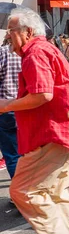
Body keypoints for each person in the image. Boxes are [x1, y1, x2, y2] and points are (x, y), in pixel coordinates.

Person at [1, 8, 69, 234]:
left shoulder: (34, 53)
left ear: (27, 31)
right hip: (62, 131)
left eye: (11, 31)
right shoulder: (44, 49)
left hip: (49, 133)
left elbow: (43, 95)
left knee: (21, 189)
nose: (8, 36)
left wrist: (5, 105)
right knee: (56, 191)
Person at [0, 40, 22, 182]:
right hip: (27, 105)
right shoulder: (27, 54)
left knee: (12, 153)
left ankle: (20, 191)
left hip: (6, 108)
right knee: (28, 152)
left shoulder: (3, 53)